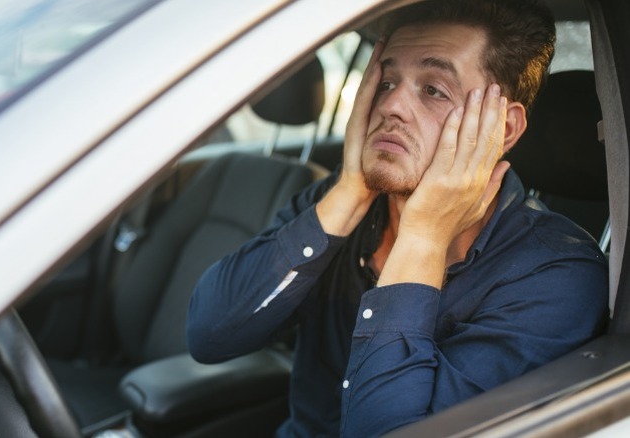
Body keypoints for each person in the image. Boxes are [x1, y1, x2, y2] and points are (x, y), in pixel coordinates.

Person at [187, 0, 609, 436]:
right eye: (386, 82)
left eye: (433, 89)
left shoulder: (556, 276)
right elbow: (210, 335)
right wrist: (350, 192)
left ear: (502, 128)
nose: (392, 106)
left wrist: (422, 236)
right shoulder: (346, 199)